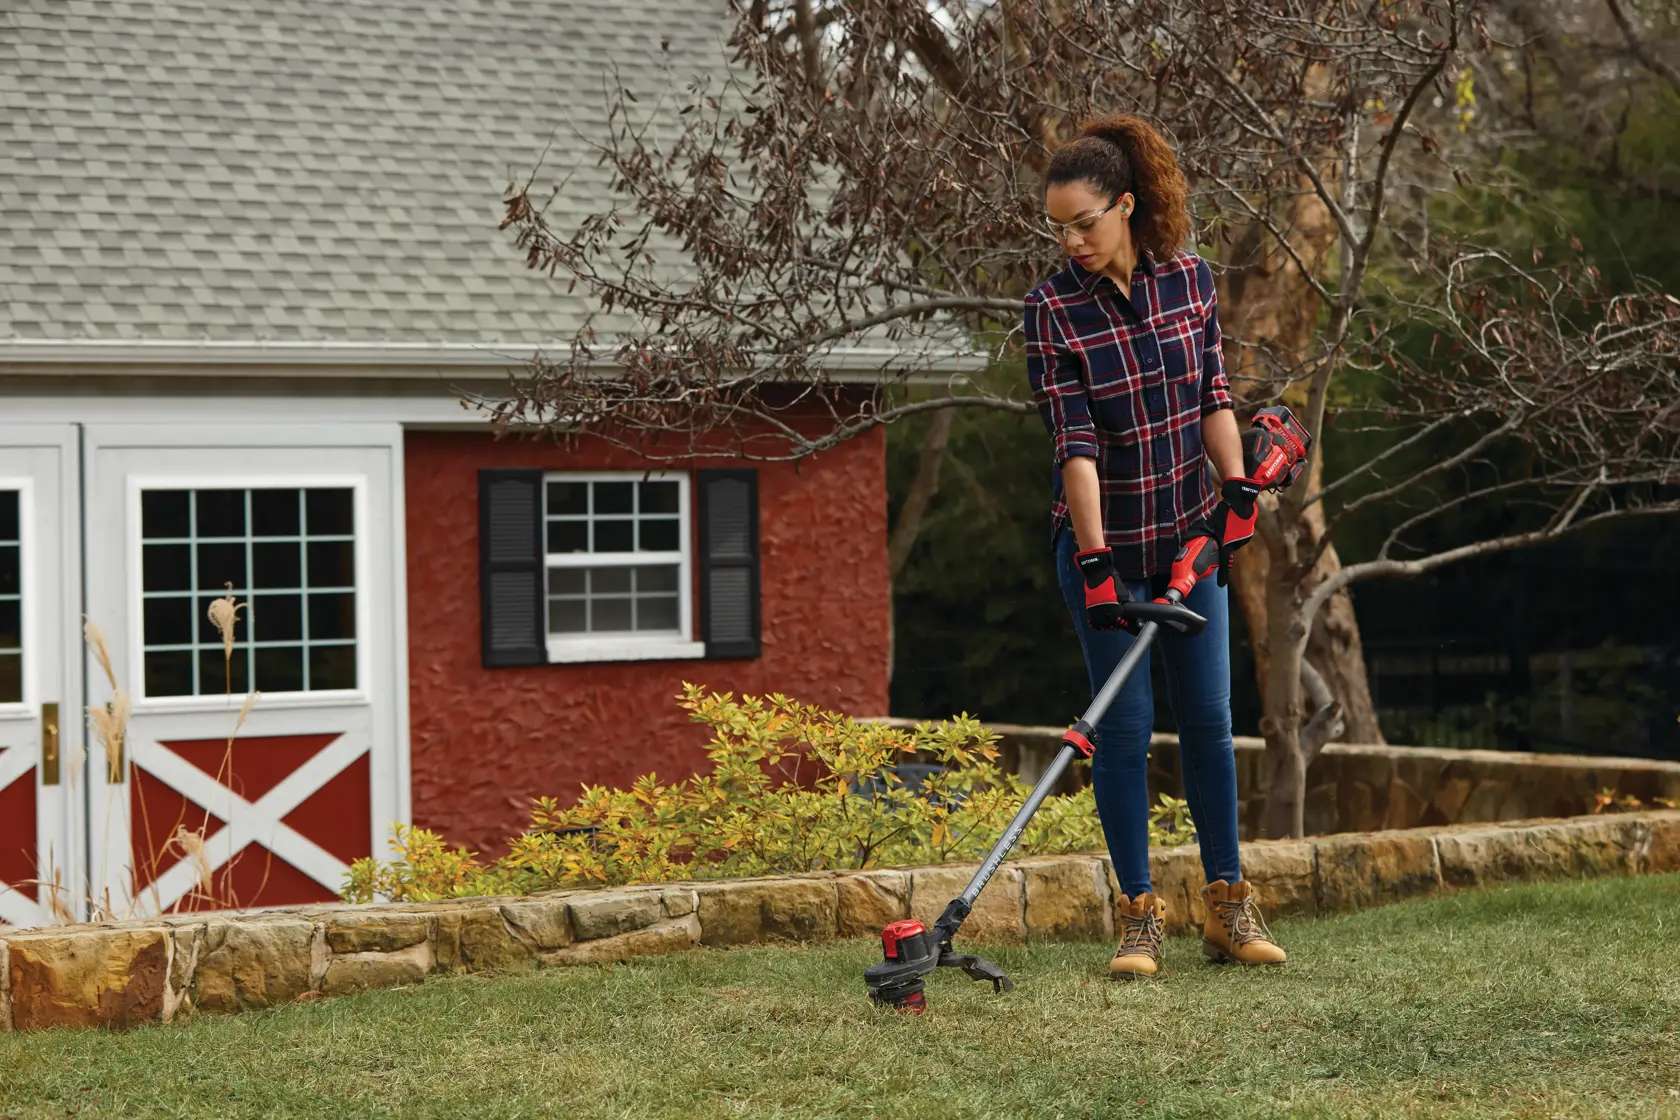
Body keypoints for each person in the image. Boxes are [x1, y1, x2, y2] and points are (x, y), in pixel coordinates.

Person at [1024, 113, 1288, 979]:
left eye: (1085, 221)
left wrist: (1237, 489)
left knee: (1209, 722)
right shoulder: (1051, 310)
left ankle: (1228, 906)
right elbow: (1076, 445)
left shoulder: (1190, 281)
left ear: (1126, 204)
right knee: (1126, 730)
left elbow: (1215, 395)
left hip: (1188, 543)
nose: (1071, 240)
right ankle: (1138, 915)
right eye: (1057, 226)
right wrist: (1097, 565)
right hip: (1107, 549)